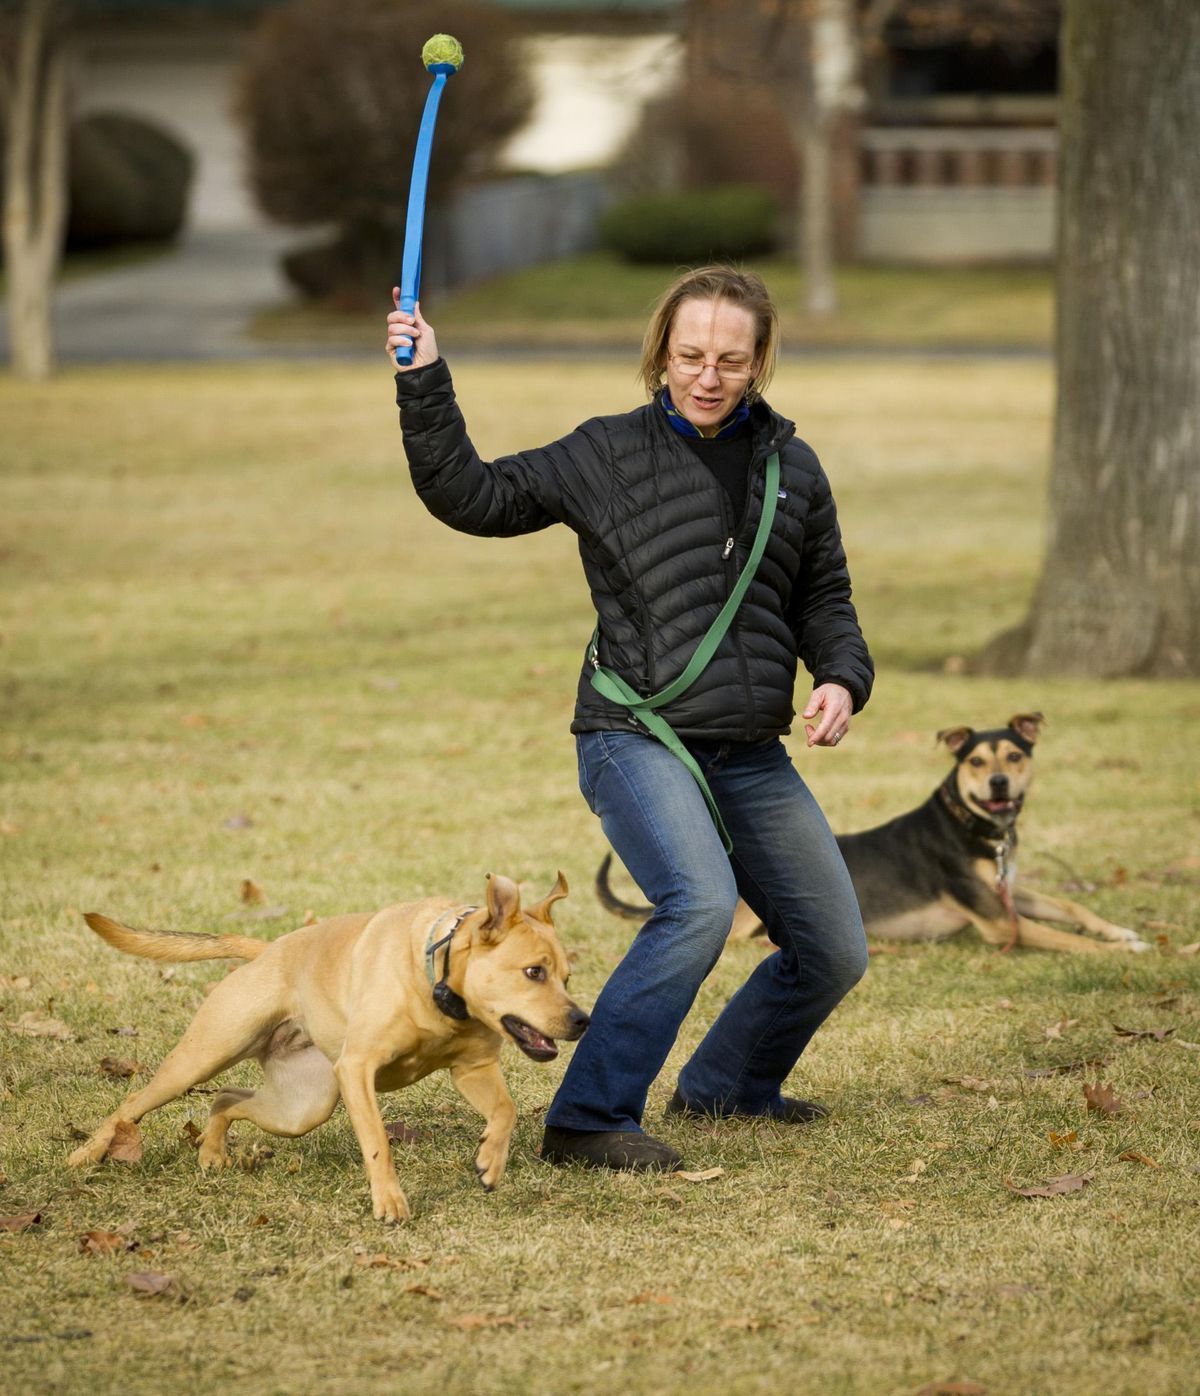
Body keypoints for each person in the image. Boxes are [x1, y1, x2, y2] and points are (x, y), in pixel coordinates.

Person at [387, 265, 873, 1173]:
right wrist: (425, 381)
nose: (708, 375)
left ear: (761, 360)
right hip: (634, 736)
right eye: (690, 354)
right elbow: (472, 497)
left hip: (749, 753)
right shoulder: (603, 452)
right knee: (698, 904)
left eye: (731, 358)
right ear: (661, 352)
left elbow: (826, 599)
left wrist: (843, 678)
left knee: (836, 948)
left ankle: (728, 1085)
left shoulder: (793, 468)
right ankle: (587, 1117)